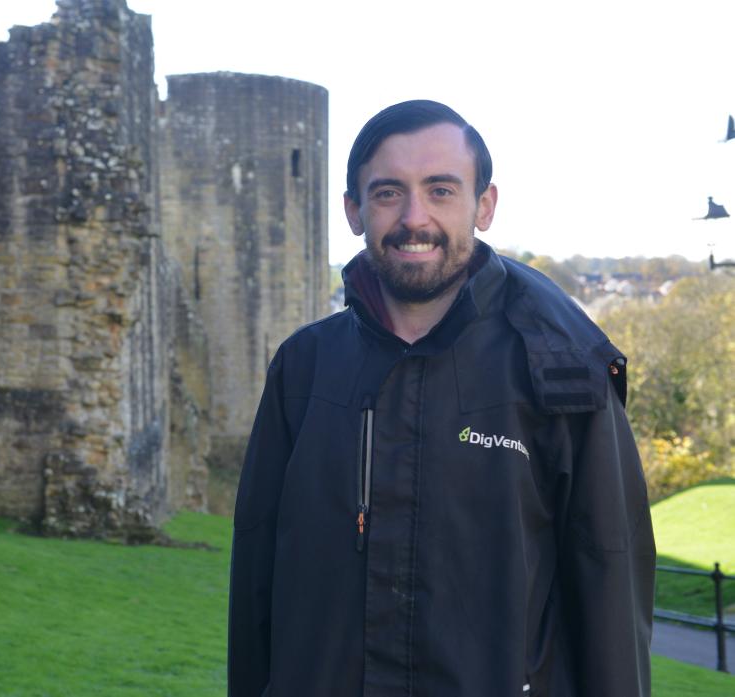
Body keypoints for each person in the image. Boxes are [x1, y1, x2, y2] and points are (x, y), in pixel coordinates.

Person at [228, 100, 655, 696]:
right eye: (387, 193)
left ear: (484, 205)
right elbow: (255, 587)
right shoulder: (303, 369)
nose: (414, 218)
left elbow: (610, 589)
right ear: (354, 210)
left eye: (441, 190)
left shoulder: (562, 373)